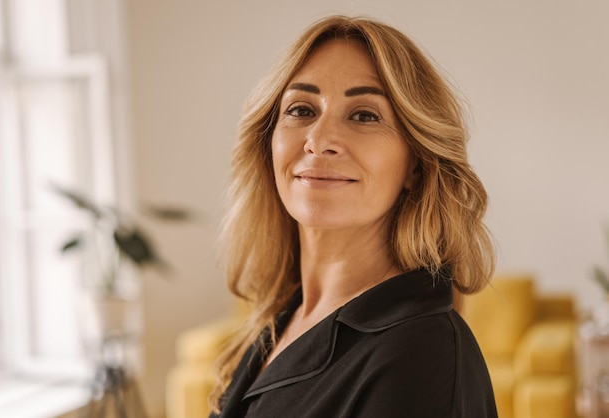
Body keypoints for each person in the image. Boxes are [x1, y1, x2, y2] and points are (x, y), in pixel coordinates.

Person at [209, 15, 497, 418]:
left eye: (364, 115)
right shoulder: (284, 318)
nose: (319, 140)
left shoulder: (423, 351)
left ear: (416, 166)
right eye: (301, 109)